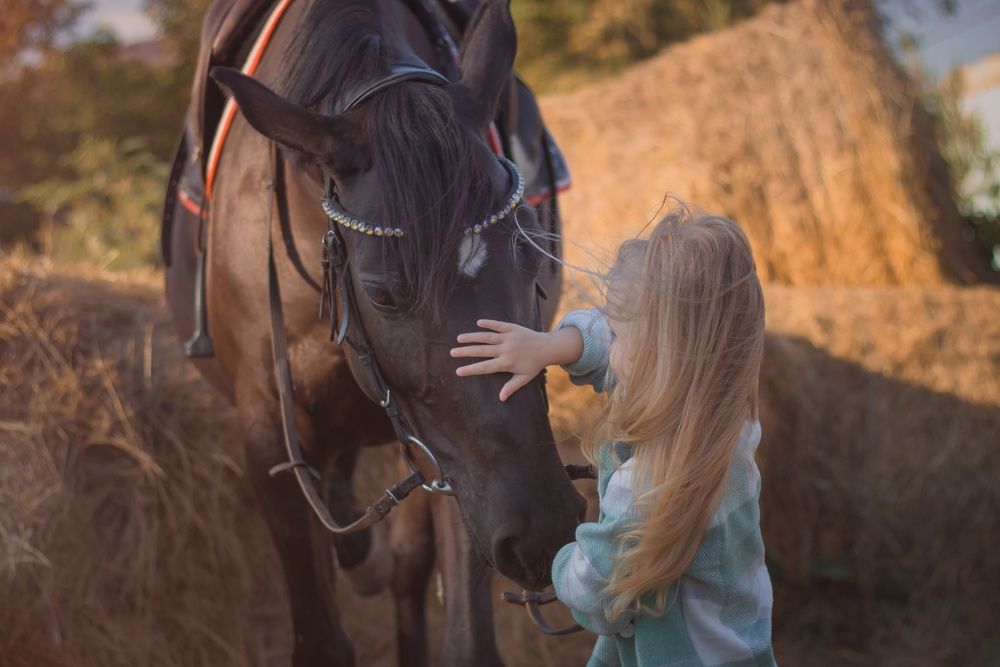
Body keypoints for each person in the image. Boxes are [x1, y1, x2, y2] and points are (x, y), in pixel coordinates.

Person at [450, 203, 776, 666]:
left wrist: (563, 553)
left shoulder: (644, 486)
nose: (612, 343)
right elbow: (612, 337)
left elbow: (594, 596)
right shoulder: (729, 422)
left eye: (622, 337)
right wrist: (548, 347)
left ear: (664, 357)